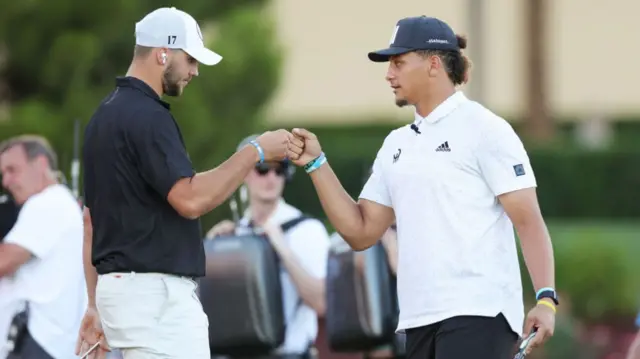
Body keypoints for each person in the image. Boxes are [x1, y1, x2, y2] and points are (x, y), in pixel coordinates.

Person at [284, 15, 557, 359]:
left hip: (479, 314)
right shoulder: (396, 144)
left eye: (398, 62)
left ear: (432, 64)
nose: (389, 74)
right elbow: (361, 231)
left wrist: (546, 299)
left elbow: (528, 219)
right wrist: (316, 164)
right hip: (417, 321)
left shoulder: (485, 129)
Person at [77, 6, 300, 359]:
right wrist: (256, 152)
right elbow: (190, 199)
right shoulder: (148, 116)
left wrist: (93, 305)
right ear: (163, 53)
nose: (195, 71)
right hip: (156, 296)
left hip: (121, 293)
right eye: (191, 59)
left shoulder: (101, 117)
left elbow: (90, 223)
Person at [206, 134, 331, 358]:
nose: (271, 178)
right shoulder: (235, 234)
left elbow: (321, 303)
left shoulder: (307, 230)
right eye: (262, 169)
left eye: (280, 170)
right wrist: (214, 254)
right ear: (244, 173)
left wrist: (282, 248)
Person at [0, 135, 86, 359]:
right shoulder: (60, 202)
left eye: (12, 170)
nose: (6, 181)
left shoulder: (48, 203)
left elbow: (4, 262)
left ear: (40, 164)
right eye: (3, 174)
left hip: (37, 343)